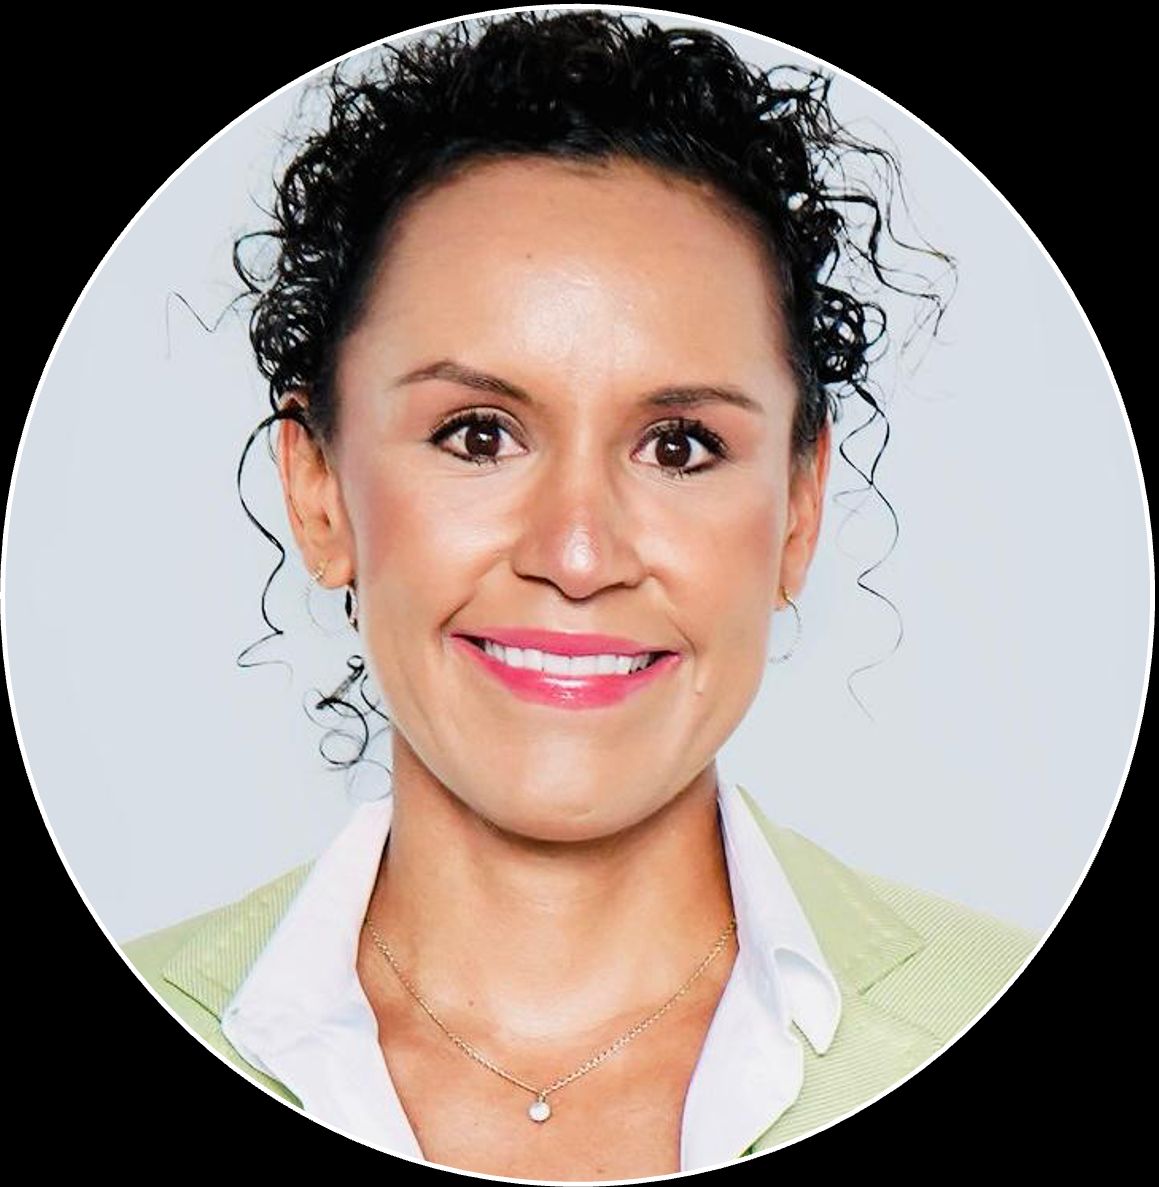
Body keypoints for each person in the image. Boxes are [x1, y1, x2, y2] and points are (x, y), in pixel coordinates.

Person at [122, 10, 1036, 1178]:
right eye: (477, 433)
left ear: (798, 511)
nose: (576, 550)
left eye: (679, 445)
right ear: (319, 493)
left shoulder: (984, 999)